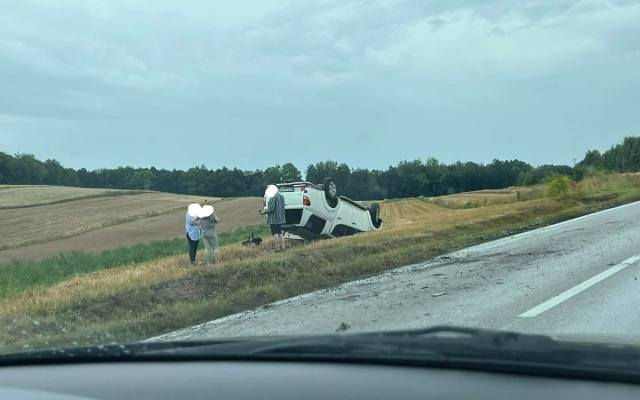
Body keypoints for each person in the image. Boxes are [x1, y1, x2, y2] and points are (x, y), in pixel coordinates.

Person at [260, 185, 286, 251]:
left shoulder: (272, 197)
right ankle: (283, 247)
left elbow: (271, 208)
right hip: (280, 218)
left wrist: (263, 212)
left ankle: (277, 248)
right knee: (280, 233)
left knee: (275, 234)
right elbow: (283, 207)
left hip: (273, 219)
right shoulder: (282, 196)